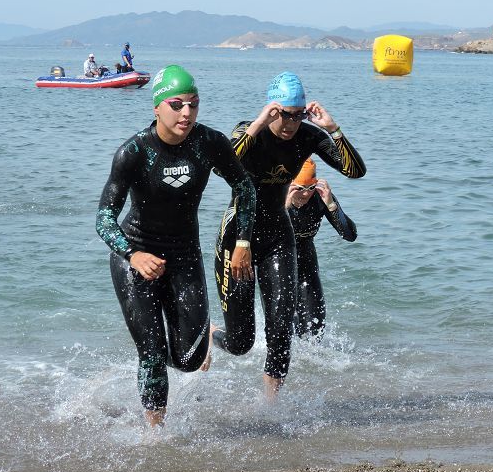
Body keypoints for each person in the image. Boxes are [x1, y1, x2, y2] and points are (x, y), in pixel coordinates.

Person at [96, 65, 256, 427]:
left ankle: (206, 335)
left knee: (186, 360)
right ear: (157, 108)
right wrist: (133, 255)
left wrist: (242, 240)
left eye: (193, 105)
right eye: (177, 104)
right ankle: (155, 433)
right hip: (135, 256)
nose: (186, 113)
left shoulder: (209, 143)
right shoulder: (133, 153)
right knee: (151, 351)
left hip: (183, 255)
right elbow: (104, 218)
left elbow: (244, 187)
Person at [211, 71, 366, 399]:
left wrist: (333, 128)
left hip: (279, 237)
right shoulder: (247, 132)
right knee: (241, 343)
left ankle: (271, 407)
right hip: (238, 237)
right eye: (285, 115)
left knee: (281, 330)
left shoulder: (308, 137)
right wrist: (258, 124)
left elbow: (355, 170)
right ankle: (211, 335)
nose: (292, 123)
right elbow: (221, 165)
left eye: (298, 116)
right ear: (272, 109)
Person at [285, 159, 358, 338]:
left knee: (314, 331)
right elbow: (262, 235)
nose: (305, 194)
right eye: (299, 188)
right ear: (290, 184)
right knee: (283, 332)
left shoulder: (320, 197)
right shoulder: (277, 196)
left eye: (310, 188)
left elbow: (349, 235)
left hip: (307, 264)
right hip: (277, 264)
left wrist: (331, 204)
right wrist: (284, 208)